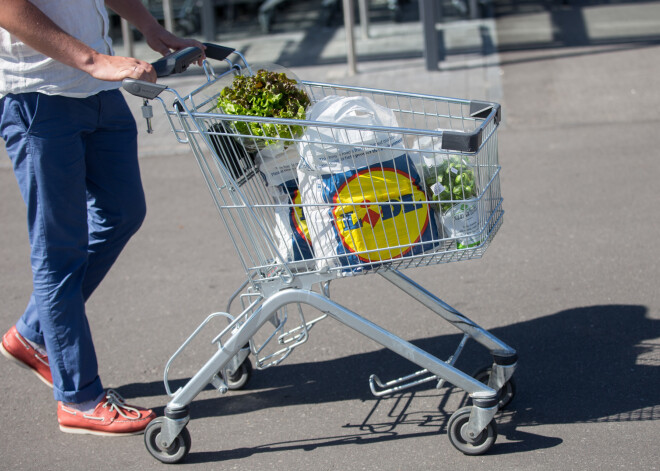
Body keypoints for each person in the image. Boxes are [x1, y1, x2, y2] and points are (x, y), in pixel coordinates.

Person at [0, 0, 204, 436]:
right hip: (40, 95)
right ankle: (79, 398)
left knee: (122, 211)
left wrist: (149, 25)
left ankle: (33, 332)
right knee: (60, 249)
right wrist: (92, 60)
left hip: (99, 91)